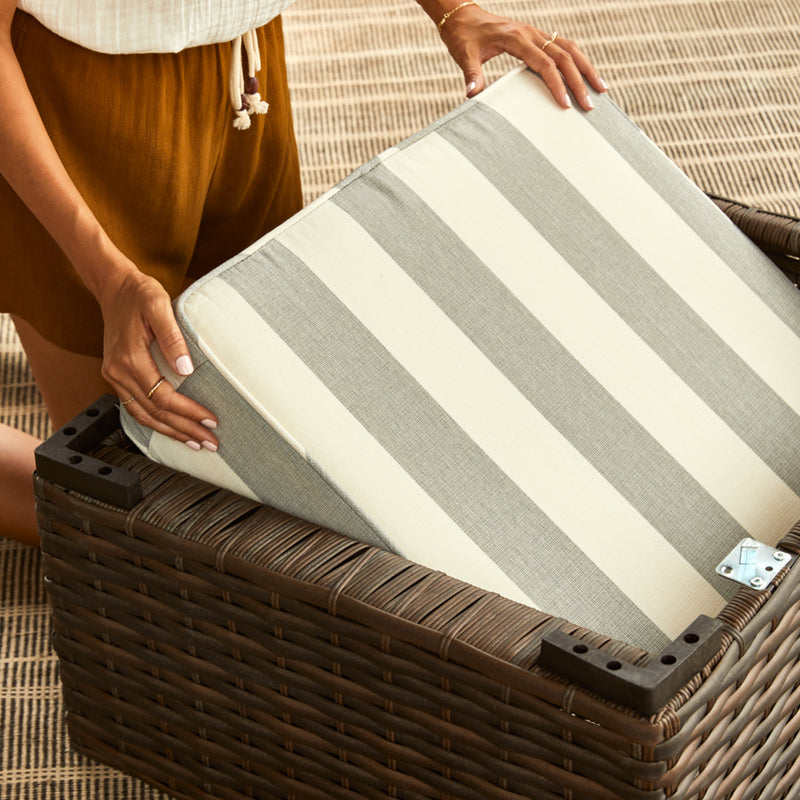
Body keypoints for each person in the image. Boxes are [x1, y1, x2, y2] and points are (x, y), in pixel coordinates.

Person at [0, 0, 606, 547]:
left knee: (280, 463)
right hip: (70, 106)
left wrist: (452, 10)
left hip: (245, 73)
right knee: (125, 524)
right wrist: (107, 278)